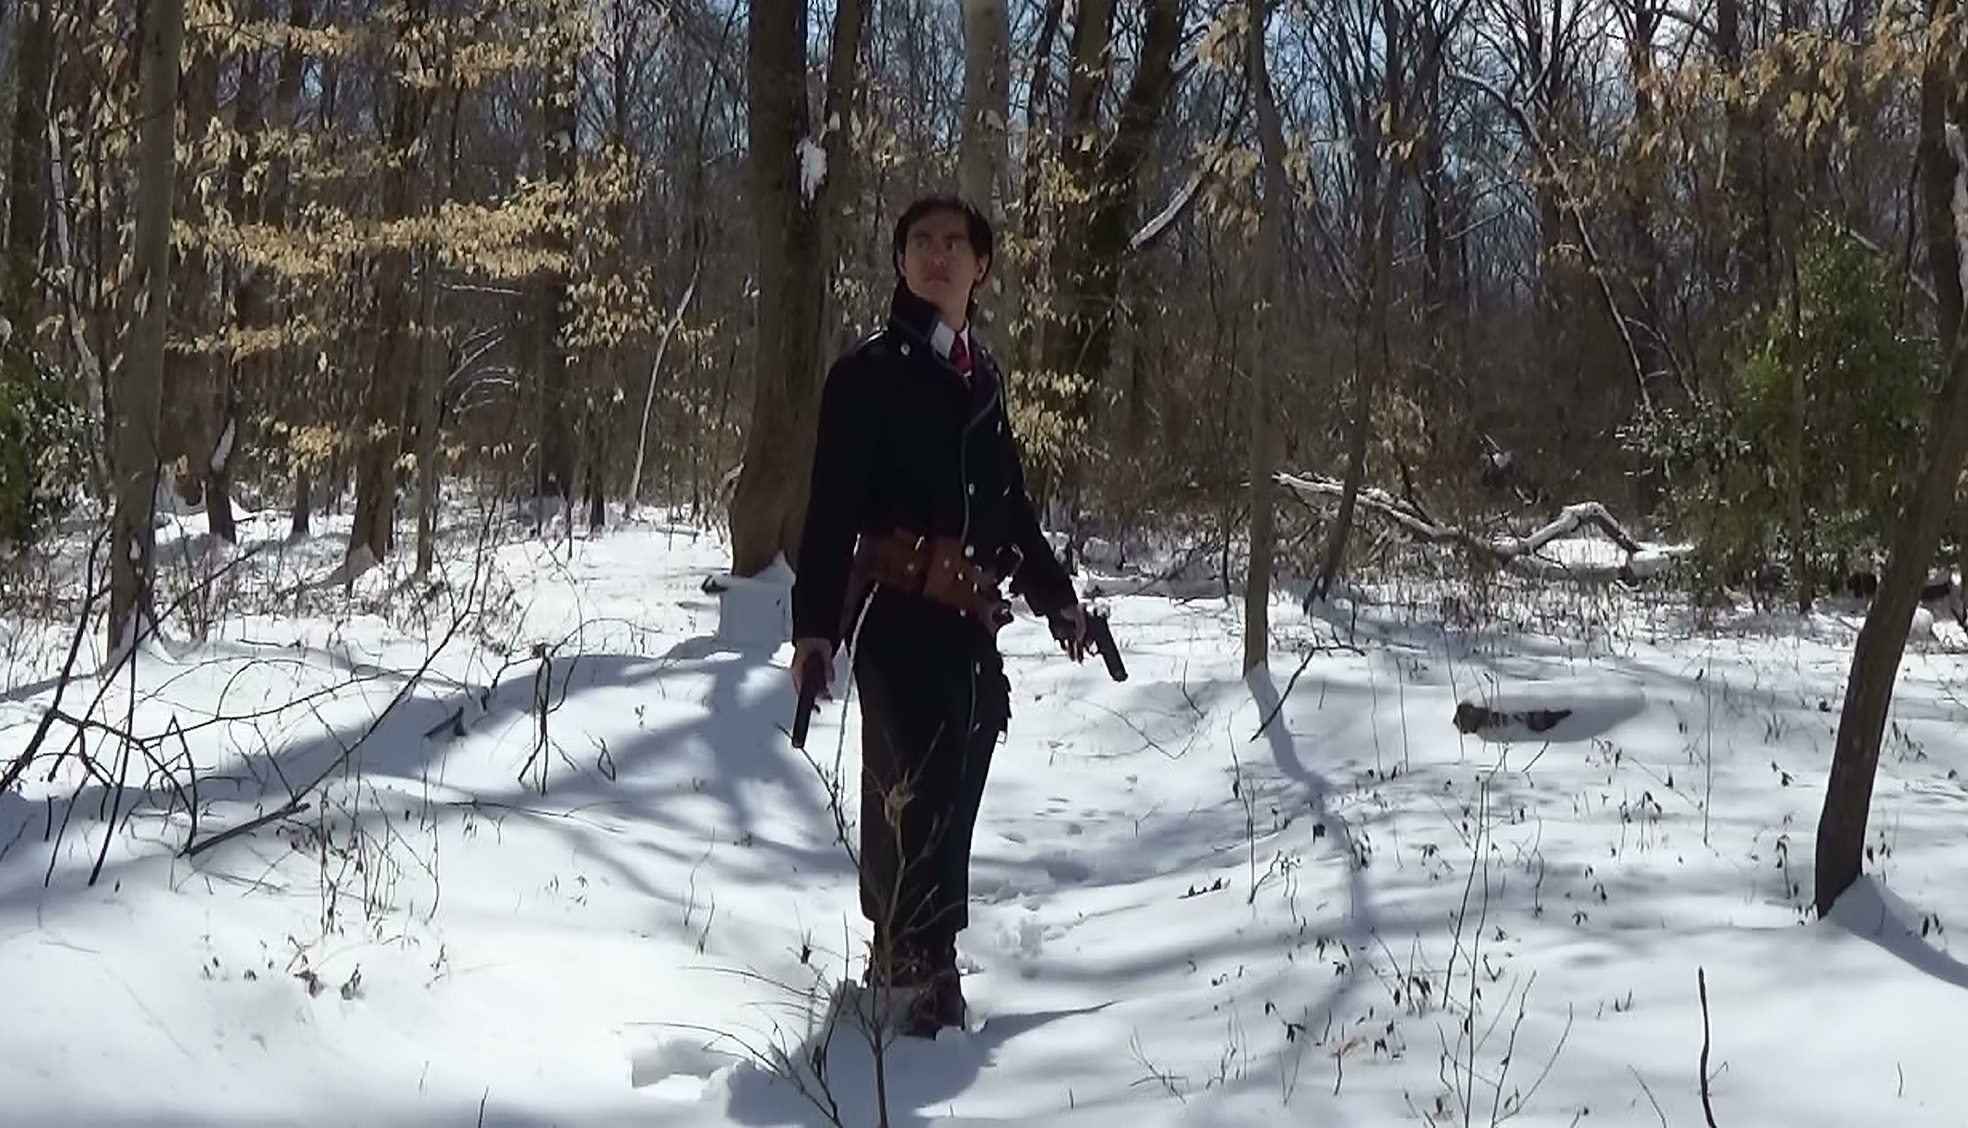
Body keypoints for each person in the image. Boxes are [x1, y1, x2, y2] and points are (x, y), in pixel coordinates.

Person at [789, 194, 1088, 1037]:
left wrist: (1058, 601)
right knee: (912, 786)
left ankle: (914, 964)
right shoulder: (868, 372)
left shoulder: (981, 377)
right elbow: (829, 509)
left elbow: (1011, 512)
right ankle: (916, 979)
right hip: (895, 616)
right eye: (920, 241)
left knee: (954, 788)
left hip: (969, 626)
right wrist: (814, 629)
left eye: (955, 243)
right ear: (900, 262)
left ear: (980, 266)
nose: (937, 254)